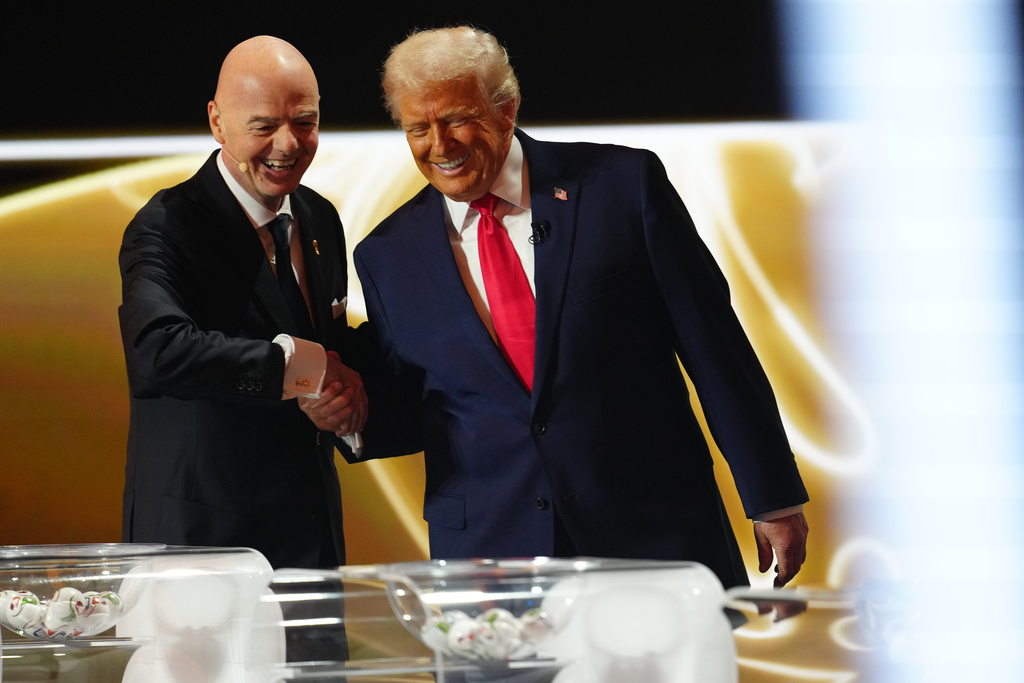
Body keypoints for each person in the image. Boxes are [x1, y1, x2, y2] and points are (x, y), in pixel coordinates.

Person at [313, 26, 809, 589]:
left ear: (506, 109)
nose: (439, 145)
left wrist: (771, 495)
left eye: (455, 119)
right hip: (490, 559)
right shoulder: (386, 255)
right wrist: (354, 420)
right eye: (417, 128)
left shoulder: (622, 187)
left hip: (649, 532)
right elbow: (422, 406)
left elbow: (715, 349)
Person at [118, 35, 368, 571]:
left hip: (309, 539)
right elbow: (156, 350)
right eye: (263, 126)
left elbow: (333, 354)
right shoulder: (167, 225)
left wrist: (345, 404)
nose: (288, 144)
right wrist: (302, 369)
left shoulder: (320, 217)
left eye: (304, 121)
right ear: (217, 121)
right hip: (203, 548)